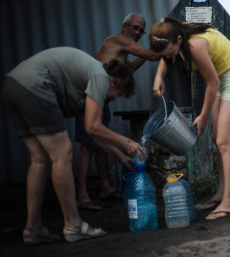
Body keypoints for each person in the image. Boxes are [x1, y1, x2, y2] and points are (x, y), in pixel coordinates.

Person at [2, 47, 146, 244]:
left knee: (40, 159)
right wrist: (126, 141)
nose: (112, 98)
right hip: (34, 84)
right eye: (117, 93)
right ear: (115, 81)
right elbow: (93, 126)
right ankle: (73, 225)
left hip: (12, 85)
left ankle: (33, 228)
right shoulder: (100, 77)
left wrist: (121, 156)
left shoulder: (88, 79)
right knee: (62, 153)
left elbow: (92, 132)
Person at [148, 17, 230, 221]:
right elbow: (165, 55)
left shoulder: (195, 44)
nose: (169, 57)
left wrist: (203, 117)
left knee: (224, 142)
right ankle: (222, 193)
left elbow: (211, 83)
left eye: (170, 52)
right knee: (217, 138)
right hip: (223, 79)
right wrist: (158, 77)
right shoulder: (173, 37)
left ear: (178, 40)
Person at [75, 13, 169, 212]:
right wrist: (165, 39)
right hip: (91, 93)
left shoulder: (123, 49)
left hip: (100, 95)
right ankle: (82, 195)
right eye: (134, 27)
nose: (136, 32)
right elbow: (152, 55)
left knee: (100, 145)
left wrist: (147, 55)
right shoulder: (118, 40)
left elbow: (131, 67)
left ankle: (105, 187)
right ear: (124, 26)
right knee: (87, 145)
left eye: (140, 31)